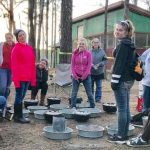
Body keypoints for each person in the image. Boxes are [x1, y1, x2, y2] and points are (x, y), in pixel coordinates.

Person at [107, 20, 135, 144]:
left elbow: (119, 65)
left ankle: (120, 136)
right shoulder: (129, 44)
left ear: (127, 32)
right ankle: (124, 133)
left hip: (122, 81)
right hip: (128, 80)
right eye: (116, 29)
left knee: (122, 109)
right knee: (126, 108)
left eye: (121, 30)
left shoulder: (123, 45)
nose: (117, 31)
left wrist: (114, 82)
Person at [11, 29, 36, 123]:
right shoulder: (16, 49)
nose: (22, 36)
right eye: (20, 35)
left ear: (26, 36)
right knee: (19, 96)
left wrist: (33, 79)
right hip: (20, 78)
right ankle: (18, 117)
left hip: (27, 78)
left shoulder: (29, 48)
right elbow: (14, 66)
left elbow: (32, 64)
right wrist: (16, 81)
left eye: (23, 34)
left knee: (21, 97)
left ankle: (17, 116)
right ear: (17, 38)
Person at [70, 38, 95, 108]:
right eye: (80, 44)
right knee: (74, 92)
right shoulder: (74, 53)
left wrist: (84, 76)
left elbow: (89, 65)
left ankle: (93, 106)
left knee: (89, 93)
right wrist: (75, 76)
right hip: (76, 76)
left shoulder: (88, 54)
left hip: (86, 76)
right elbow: (72, 65)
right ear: (78, 45)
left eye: (83, 44)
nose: (81, 45)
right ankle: (73, 106)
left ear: (85, 45)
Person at [91, 38, 107, 103]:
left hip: (99, 72)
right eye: (94, 42)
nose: (96, 44)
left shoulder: (102, 51)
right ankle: (91, 98)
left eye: (97, 42)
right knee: (90, 86)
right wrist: (90, 64)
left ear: (99, 43)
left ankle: (98, 99)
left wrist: (100, 64)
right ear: (92, 43)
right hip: (90, 72)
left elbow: (105, 60)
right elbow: (86, 60)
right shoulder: (89, 51)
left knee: (99, 86)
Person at [0, 33, 15, 99]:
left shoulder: (15, 46)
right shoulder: (2, 45)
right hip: (3, 68)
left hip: (12, 69)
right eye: (6, 38)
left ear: (12, 38)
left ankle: (4, 103)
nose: (8, 39)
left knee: (7, 87)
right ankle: (1, 100)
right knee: (3, 86)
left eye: (9, 37)